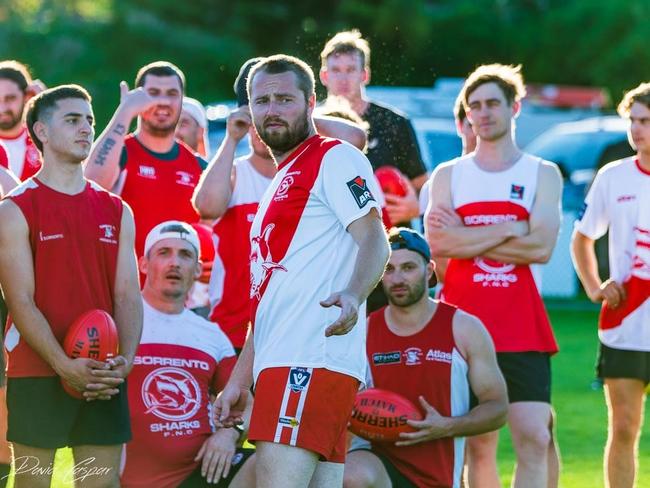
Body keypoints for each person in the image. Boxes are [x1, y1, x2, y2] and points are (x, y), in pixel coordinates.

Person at [214, 55, 389, 488]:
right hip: (286, 362)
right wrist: (241, 376)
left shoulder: (333, 158)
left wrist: (352, 294)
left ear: (312, 102)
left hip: (309, 360)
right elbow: (271, 295)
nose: (272, 109)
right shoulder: (279, 178)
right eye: (262, 100)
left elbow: (375, 239)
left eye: (285, 99)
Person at [425, 64, 563, 488]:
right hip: (462, 326)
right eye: (474, 106)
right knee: (479, 445)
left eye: (492, 104)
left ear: (514, 107)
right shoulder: (449, 174)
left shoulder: (542, 172)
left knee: (535, 437)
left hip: (522, 325)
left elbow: (540, 248)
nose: (482, 114)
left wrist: (466, 234)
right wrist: (508, 228)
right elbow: (440, 244)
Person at [0, 84, 142, 488]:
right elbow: (20, 300)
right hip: (37, 370)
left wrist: (123, 364)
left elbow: (127, 296)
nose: (86, 129)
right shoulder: (14, 209)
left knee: (100, 482)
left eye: (90, 120)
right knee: (32, 483)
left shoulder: (117, 209)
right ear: (41, 132)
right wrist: (64, 366)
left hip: (102, 370)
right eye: (73, 119)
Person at [194, 57, 370, 352]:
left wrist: (293, 113)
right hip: (234, 333)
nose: (271, 117)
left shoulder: (315, 167)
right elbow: (207, 206)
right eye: (260, 105)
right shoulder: (236, 171)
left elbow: (356, 138)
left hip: (298, 333)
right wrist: (232, 136)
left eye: (284, 101)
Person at [343, 228, 507, 488]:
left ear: (429, 270)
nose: (397, 278)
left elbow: (497, 408)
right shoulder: (362, 332)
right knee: (351, 477)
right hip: (379, 460)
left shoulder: (464, 328)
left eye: (408, 267)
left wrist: (447, 426)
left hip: (439, 473)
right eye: (389, 269)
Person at [121, 221, 255, 488]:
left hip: (201, 473)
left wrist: (230, 435)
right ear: (143, 264)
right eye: (164, 253)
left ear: (197, 270)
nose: (175, 263)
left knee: (274, 462)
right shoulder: (119, 321)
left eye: (185, 255)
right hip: (126, 476)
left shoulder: (211, 335)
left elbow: (247, 404)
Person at [571, 81, 650, 488]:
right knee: (623, 429)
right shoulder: (613, 176)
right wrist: (594, 286)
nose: (637, 130)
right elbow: (582, 237)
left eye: (646, 121)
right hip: (625, 325)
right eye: (633, 121)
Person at [84, 61, 206, 258]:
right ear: (138, 97)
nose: (164, 101)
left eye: (172, 94)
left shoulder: (199, 166)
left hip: (180, 288)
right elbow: (90, 184)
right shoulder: (121, 153)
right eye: (153, 93)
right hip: (124, 285)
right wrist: (125, 111)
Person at [319, 29, 427, 225]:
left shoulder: (394, 122)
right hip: (332, 236)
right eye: (335, 70)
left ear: (365, 75)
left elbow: (423, 185)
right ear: (324, 76)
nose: (343, 79)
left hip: (390, 239)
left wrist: (416, 206)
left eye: (351, 70)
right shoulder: (313, 125)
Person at [0, 60, 42, 181]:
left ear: (27, 97)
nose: (2, 108)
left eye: (10, 98)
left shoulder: (42, 141)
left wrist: (45, 102)